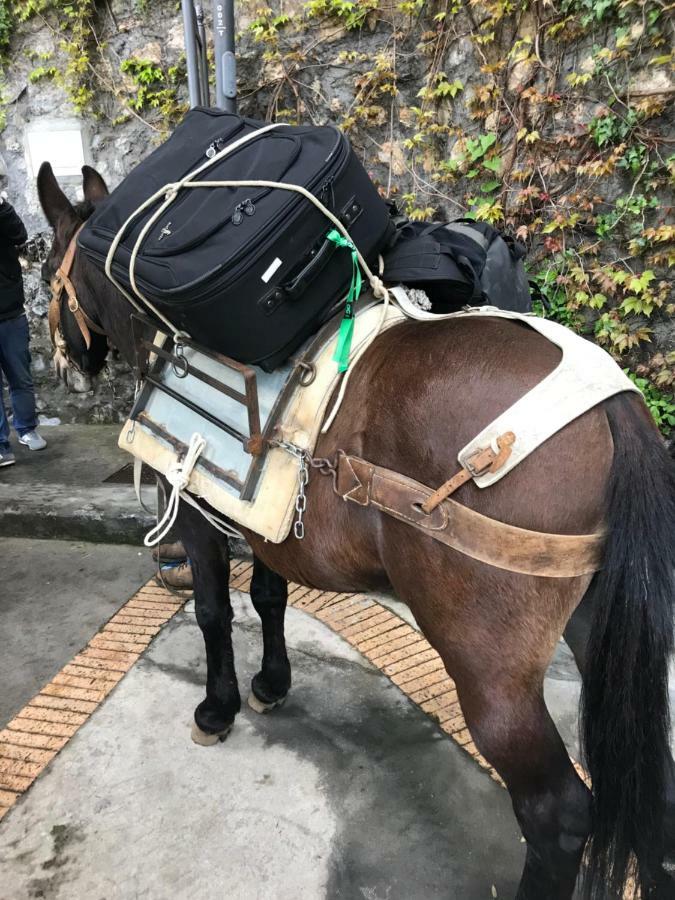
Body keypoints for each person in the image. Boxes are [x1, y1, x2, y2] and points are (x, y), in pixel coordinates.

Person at [0, 193, 46, 467]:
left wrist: (1, 205)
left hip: (11, 315)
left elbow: (19, 234)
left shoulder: (3, 213)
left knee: (21, 378)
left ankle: (27, 429)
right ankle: (1, 445)